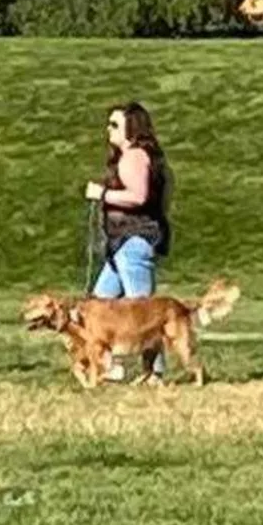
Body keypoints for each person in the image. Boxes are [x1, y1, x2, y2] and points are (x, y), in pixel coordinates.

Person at [82, 102, 172, 381]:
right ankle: (109, 367)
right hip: (122, 245)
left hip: (132, 243)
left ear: (132, 130)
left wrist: (103, 194)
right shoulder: (143, 157)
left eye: (114, 125)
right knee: (99, 304)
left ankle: (154, 373)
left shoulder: (134, 157)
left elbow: (138, 196)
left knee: (143, 313)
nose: (108, 130)